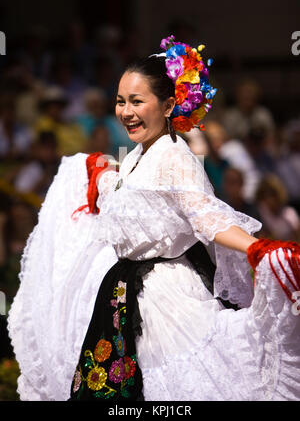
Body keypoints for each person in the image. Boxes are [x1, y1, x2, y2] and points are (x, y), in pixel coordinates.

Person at [8, 36, 300, 401]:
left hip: (166, 299)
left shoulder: (176, 156)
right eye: (120, 101)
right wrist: (100, 172)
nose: (126, 111)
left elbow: (205, 215)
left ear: (168, 105)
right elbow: (134, 195)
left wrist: (257, 247)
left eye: (136, 101)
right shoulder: (136, 155)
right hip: (124, 295)